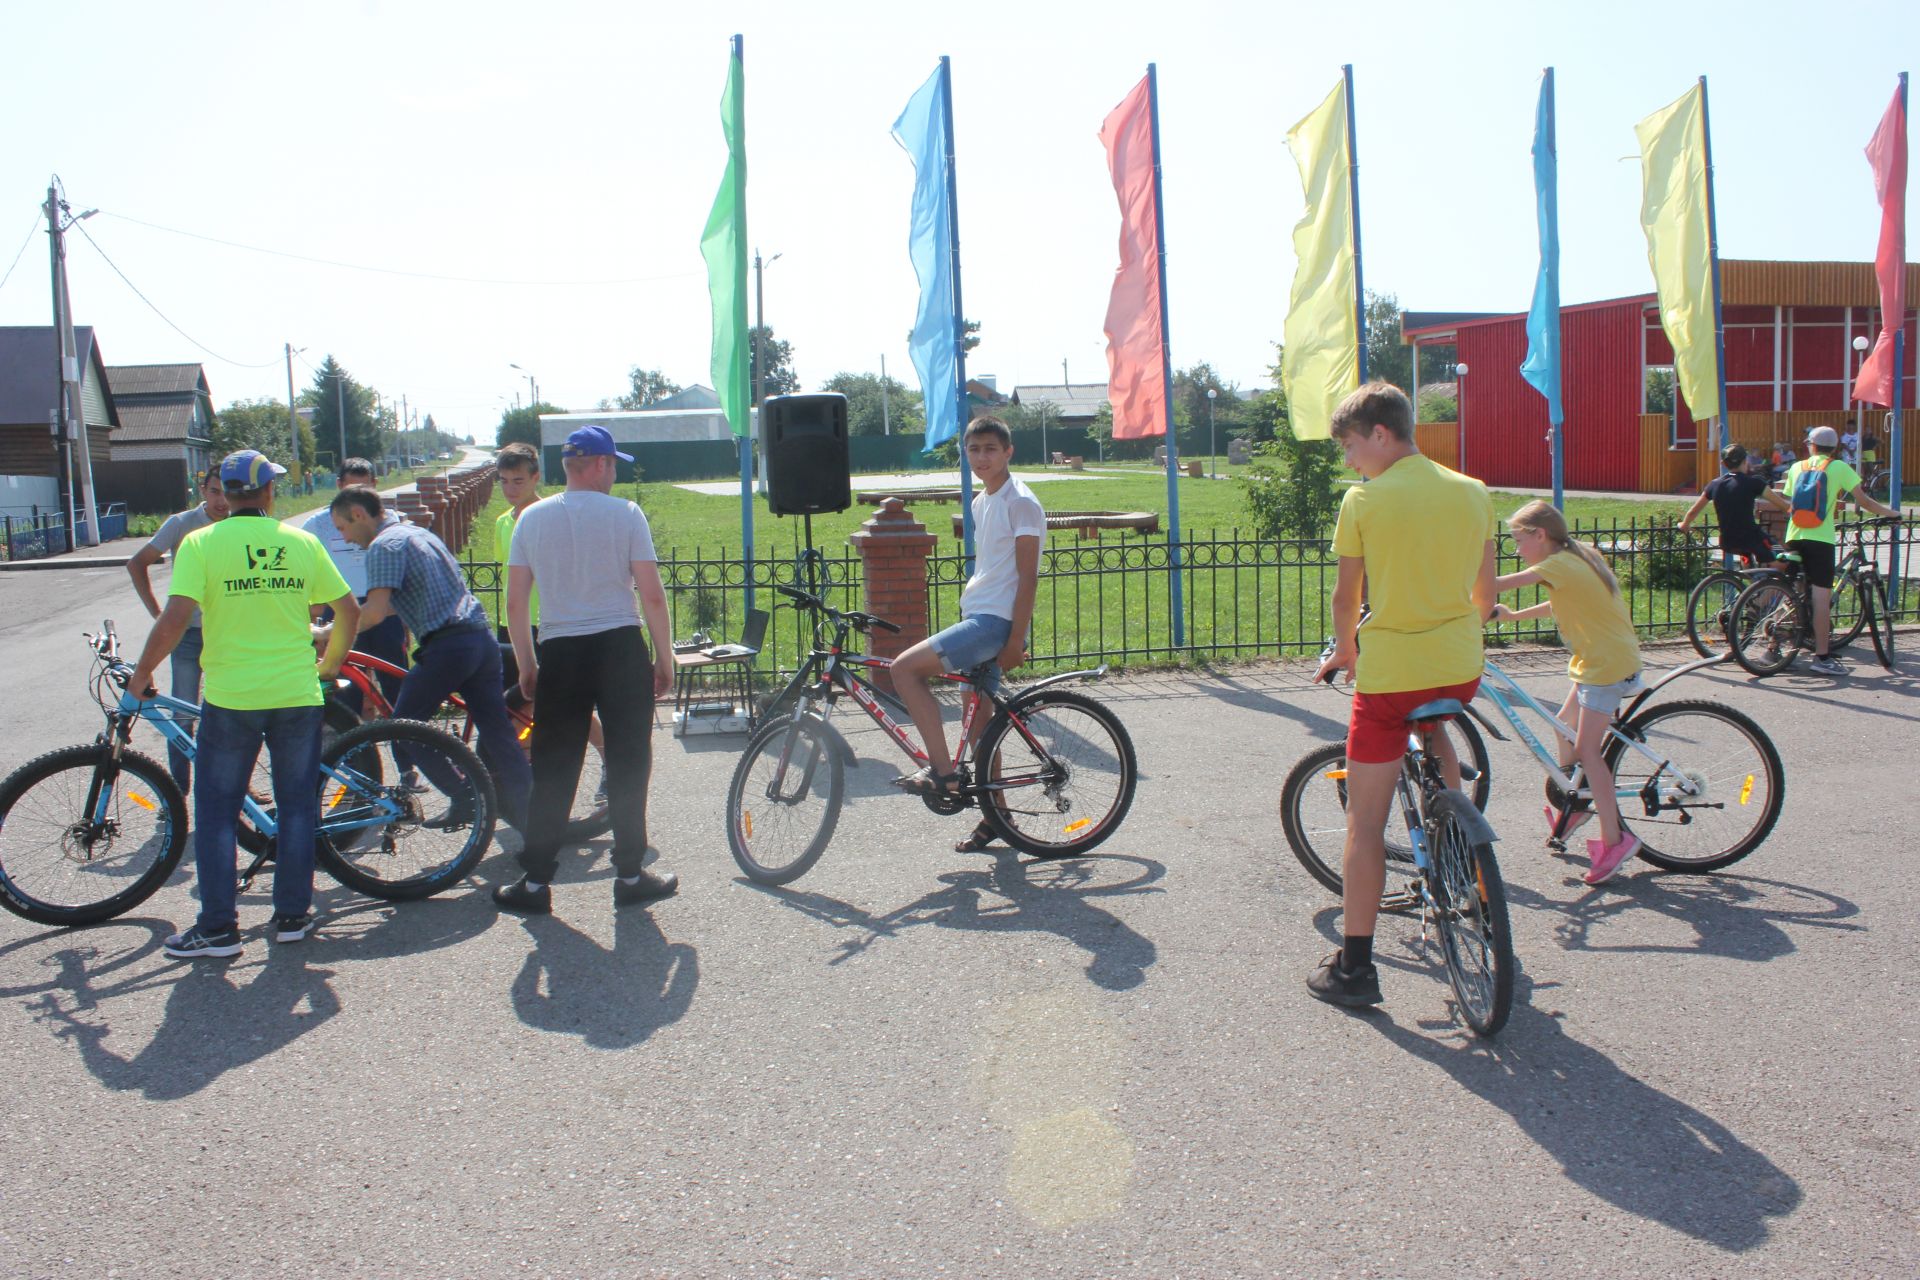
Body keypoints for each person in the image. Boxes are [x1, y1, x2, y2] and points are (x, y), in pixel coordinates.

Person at [1308, 382, 1496, 1010]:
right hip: (1460, 668)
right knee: (1437, 724)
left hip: (1392, 679)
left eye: (1351, 446)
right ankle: (1455, 838)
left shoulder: (1364, 501)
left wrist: (1344, 650)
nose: (1348, 460)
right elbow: (1485, 597)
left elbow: (1345, 598)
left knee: (1365, 826)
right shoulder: (1474, 493)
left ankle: (1355, 969)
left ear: (1380, 434)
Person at [126, 450, 358, 958]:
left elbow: (174, 619)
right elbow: (347, 610)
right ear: (270, 492)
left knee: (216, 813)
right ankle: (293, 917)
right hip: (296, 693)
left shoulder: (202, 543)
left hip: (233, 699)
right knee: (297, 807)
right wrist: (330, 666)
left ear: (224, 494)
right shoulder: (300, 542)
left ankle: (218, 928)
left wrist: (141, 674)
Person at [496, 425, 677, 914]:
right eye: (614, 464)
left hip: (561, 649)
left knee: (555, 765)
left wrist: (528, 664)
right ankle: (631, 873)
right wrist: (665, 656)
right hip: (619, 646)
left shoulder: (530, 519)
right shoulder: (626, 515)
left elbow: (515, 602)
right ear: (599, 464)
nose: (615, 472)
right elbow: (652, 595)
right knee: (628, 760)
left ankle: (534, 883)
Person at [328, 487, 532, 834]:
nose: (343, 537)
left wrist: (328, 635)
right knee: (499, 735)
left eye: (343, 528)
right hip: (478, 638)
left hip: (448, 645)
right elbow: (394, 602)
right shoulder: (417, 533)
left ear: (359, 515)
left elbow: (375, 613)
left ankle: (467, 798)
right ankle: (537, 820)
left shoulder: (383, 546)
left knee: (407, 729)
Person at [886, 416, 1044, 851]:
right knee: (980, 728)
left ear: (1009, 452)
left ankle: (942, 772)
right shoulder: (981, 501)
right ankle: (999, 820)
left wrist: (1015, 640)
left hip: (993, 624)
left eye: (991, 449)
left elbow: (1028, 577)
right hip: (981, 614)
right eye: (974, 450)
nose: (981, 457)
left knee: (904, 671)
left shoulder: (1021, 503)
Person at [1490, 502, 1645, 884]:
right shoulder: (1574, 557)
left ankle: (1616, 839)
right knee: (1562, 726)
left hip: (1604, 666)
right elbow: (1562, 601)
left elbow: (1499, 583)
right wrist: (1512, 617)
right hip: (1597, 659)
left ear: (1540, 535)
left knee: (1590, 752)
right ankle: (1578, 802)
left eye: (1519, 541)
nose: (1518, 549)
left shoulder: (1558, 563)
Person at [495, 441, 610, 818]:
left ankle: (606, 754)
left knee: (562, 708)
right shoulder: (502, 523)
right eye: (504, 482)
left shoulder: (550, 515)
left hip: (549, 623)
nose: (511, 488)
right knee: (521, 708)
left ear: (535, 478)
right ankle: (521, 783)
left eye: (518, 480)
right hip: (513, 624)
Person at [126, 468, 229, 792]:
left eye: (227, 492)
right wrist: (158, 613)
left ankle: (237, 786)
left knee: (232, 714)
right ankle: (177, 791)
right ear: (202, 490)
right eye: (214, 491)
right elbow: (137, 562)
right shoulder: (181, 524)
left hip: (227, 635)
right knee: (183, 715)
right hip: (186, 635)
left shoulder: (239, 524)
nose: (221, 501)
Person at [1782, 425, 1902, 676]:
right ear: (1835, 447)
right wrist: (1891, 513)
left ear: (1811, 446)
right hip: (1820, 539)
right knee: (1821, 598)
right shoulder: (1838, 467)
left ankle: (1776, 646)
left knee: (1792, 590)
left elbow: (1790, 500)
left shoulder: (1796, 467)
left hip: (1793, 535)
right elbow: (1864, 501)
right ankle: (1821, 657)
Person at [303, 457, 407, 709]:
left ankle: (406, 733)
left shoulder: (391, 521)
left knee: (396, 683)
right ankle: (352, 741)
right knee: (346, 687)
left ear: (375, 484)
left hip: (383, 608)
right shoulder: (316, 524)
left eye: (365, 489)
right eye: (351, 490)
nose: (358, 498)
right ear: (339, 485)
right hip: (342, 606)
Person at [1677, 443, 1789, 567]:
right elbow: (1781, 504)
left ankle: (1751, 583)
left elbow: (1694, 511)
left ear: (1723, 464)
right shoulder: (1755, 482)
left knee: (1745, 554)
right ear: (1746, 461)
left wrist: (1685, 523)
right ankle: (1775, 585)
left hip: (1727, 541)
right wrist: (1789, 511)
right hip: (1751, 537)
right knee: (1781, 556)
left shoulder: (1714, 485)